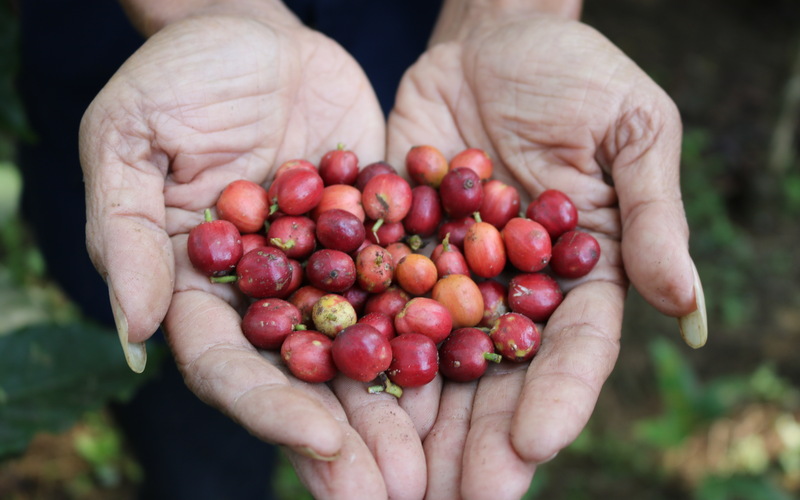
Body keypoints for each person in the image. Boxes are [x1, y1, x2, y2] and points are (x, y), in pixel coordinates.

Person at [19, 0, 707, 498]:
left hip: (420, 49)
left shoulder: (413, 255)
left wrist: (505, 12)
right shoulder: (335, 252)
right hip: (181, 110)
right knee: (191, 431)